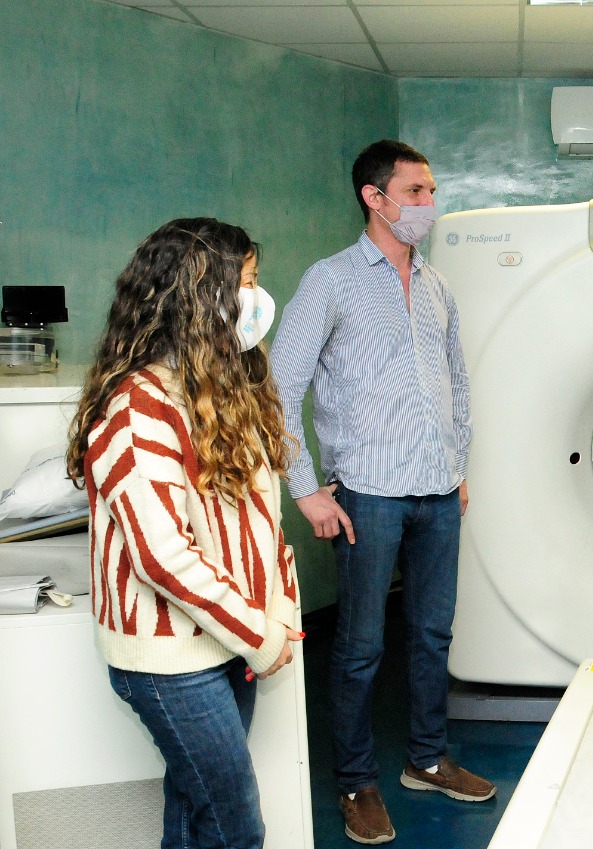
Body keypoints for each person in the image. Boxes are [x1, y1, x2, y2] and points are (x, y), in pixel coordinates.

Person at [270, 139, 492, 846]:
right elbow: (278, 390)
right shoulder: (330, 281)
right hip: (367, 494)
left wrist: (457, 465)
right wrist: (305, 490)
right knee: (361, 646)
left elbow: (457, 383)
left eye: (431, 191)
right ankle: (355, 782)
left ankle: (426, 759)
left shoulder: (436, 285)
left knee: (431, 634)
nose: (429, 203)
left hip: (438, 491)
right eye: (416, 191)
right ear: (375, 197)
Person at [66, 218, 303, 849]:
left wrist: (277, 613)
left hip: (230, 640)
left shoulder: (223, 386)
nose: (258, 298)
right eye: (245, 283)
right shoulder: (136, 407)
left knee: (195, 813)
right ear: (199, 296)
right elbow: (163, 557)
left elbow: (264, 522)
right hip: (171, 661)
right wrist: (261, 637)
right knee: (236, 829)